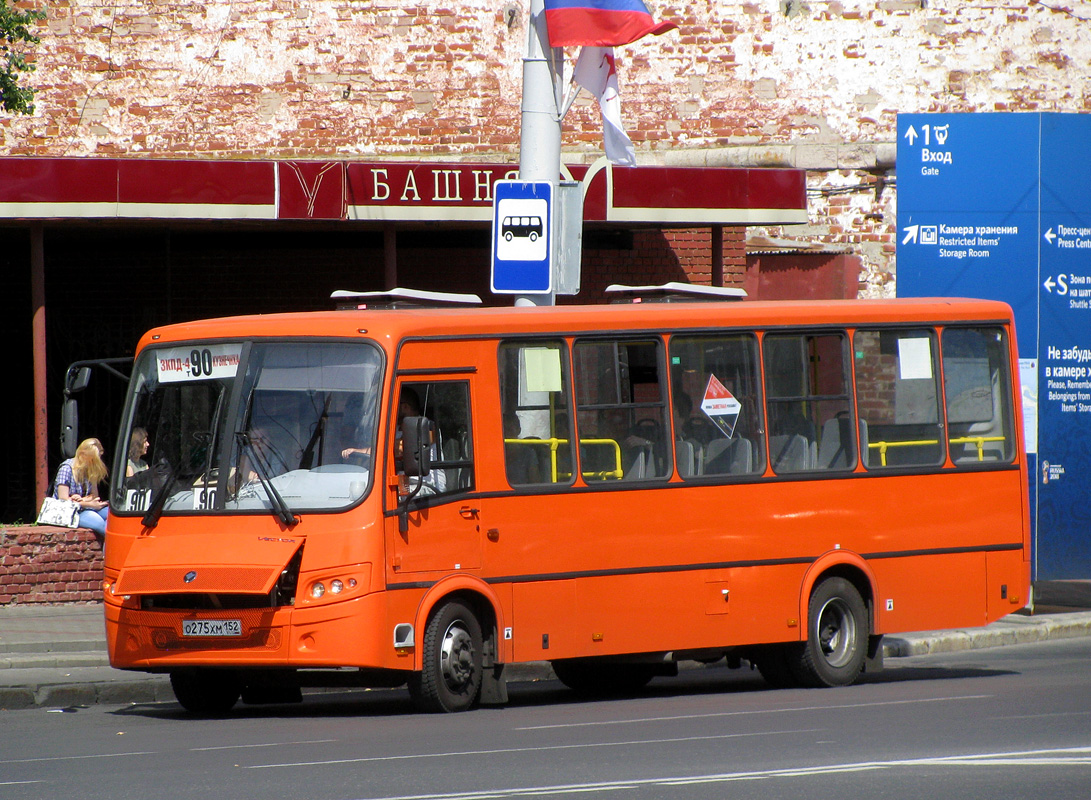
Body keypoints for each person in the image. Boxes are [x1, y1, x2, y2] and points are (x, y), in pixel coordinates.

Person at [52, 437, 109, 540]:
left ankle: (107, 549)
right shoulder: (66, 469)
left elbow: (94, 495)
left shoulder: (91, 469)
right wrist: (88, 503)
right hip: (70, 511)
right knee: (100, 522)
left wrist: (83, 499)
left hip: (85, 506)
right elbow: (63, 499)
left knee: (112, 516)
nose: (96, 462)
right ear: (83, 455)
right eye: (93, 459)